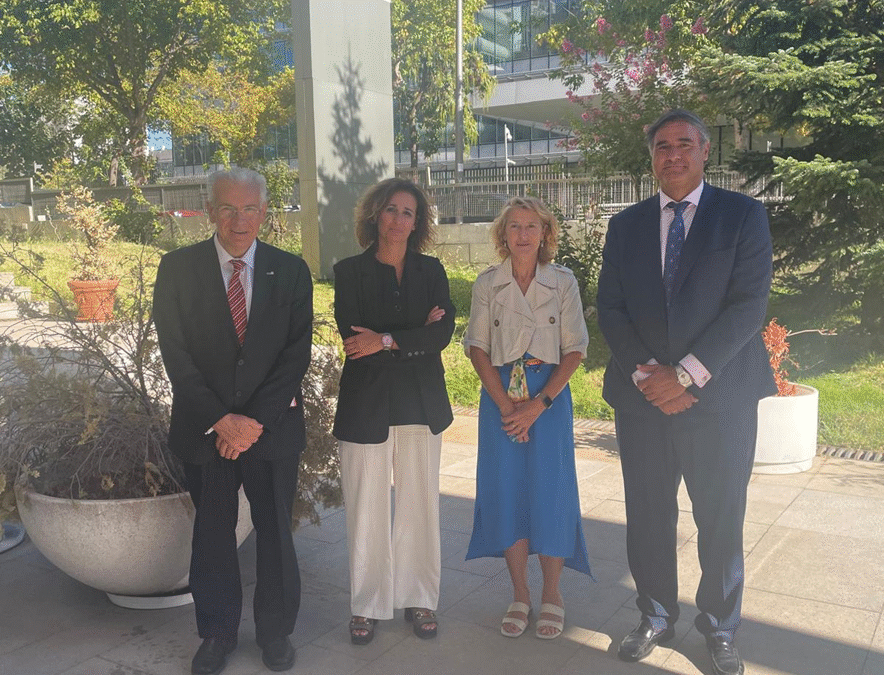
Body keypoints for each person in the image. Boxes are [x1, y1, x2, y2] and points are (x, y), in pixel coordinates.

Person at [597, 109, 776, 675]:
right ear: (651, 157)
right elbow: (611, 308)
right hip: (644, 397)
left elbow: (748, 305)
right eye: (661, 146)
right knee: (648, 513)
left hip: (718, 399)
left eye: (683, 144)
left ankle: (720, 627)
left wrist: (689, 372)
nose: (672, 154)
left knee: (720, 516)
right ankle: (653, 615)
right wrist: (648, 375)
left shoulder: (742, 217)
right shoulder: (624, 226)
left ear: (703, 152)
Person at [153, 168, 312, 675]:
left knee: (275, 534)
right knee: (214, 535)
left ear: (264, 212)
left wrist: (251, 424)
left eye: (249, 208)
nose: (238, 219)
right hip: (206, 431)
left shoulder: (290, 271)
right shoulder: (177, 268)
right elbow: (175, 355)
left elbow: (296, 353)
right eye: (227, 207)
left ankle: (276, 632)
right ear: (209, 210)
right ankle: (217, 633)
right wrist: (222, 420)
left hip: (271, 432)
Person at [332, 177, 455, 646]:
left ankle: (419, 596)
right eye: (391, 209)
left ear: (417, 222)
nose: (399, 219)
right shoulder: (348, 272)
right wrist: (412, 335)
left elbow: (441, 336)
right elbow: (353, 339)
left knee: (420, 501)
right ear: (374, 215)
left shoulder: (432, 271)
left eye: (408, 212)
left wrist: (386, 338)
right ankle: (366, 604)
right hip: (366, 402)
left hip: (421, 402)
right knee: (366, 504)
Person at [463, 196, 592, 640]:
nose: (522, 234)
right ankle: (520, 592)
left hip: (548, 400)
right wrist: (504, 405)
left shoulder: (563, 282)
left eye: (531, 226)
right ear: (503, 235)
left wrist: (538, 406)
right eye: (514, 226)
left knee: (551, 491)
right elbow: (476, 346)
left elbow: (575, 348)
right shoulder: (488, 284)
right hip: (501, 398)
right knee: (507, 492)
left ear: (544, 234)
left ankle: (552, 593)